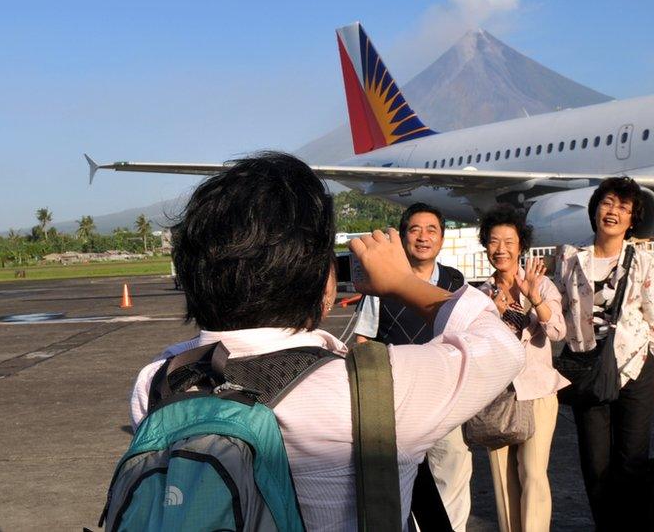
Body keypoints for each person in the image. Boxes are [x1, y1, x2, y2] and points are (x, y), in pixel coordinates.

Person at [128, 152, 526, 531]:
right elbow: (500, 345)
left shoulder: (159, 381)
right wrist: (406, 282)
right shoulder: (377, 388)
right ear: (322, 282)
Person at [556, 177, 654, 531]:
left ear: (632, 219)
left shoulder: (643, 261)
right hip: (588, 370)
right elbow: (555, 309)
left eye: (623, 207)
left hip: (635, 368)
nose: (613, 212)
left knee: (631, 461)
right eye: (607, 203)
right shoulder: (571, 259)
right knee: (595, 464)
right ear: (594, 209)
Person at [352, 202, 471, 531]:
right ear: (403, 237)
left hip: (446, 394)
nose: (423, 237)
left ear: (442, 238)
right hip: (399, 397)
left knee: (452, 467)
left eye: (431, 230)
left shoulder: (454, 281)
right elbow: (363, 340)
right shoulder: (380, 285)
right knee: (407, 477)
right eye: (415, 230)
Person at [476, 204, 567, 532]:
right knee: (503, 479)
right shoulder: (481, 294)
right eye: (493, 241)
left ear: (521, 247)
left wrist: (534, 299)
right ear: (486, 246)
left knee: (532, 473)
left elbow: (558, 332)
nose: (500, 249)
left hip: (537, 391)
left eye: (508, 242)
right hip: (497, 397)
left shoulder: (541, 286)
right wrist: (491, 314)